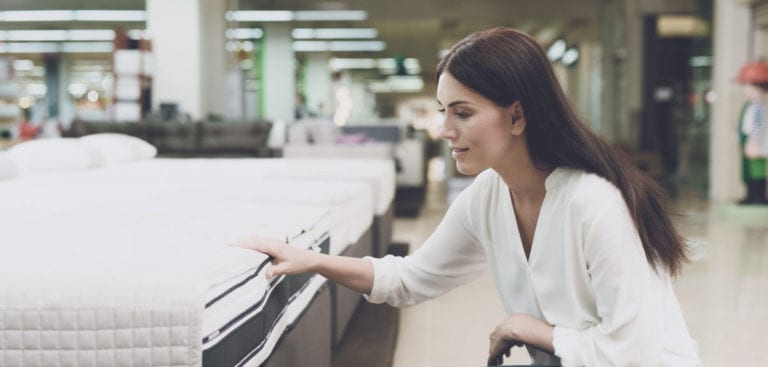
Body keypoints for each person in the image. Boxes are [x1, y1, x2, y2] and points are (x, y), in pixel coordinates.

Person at [233, 27, 701, 366]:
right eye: (443, 112)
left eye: (462, 113)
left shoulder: (593, 203)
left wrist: (528, 328)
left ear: (516, 117)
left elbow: (633, 356)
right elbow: (410, 279)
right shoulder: (489, 195)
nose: (445, 130)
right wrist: (311, 260)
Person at [736, 62, 768, 204]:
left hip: (755, 143)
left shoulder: (760, 107)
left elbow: (759, 126)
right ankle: (751, 195)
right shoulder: (751, 105)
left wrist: (754, 143)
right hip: (747, 140)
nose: (746, 89)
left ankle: (758, 196)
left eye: (749, 85)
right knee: (748, 170)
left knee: (757, 170)